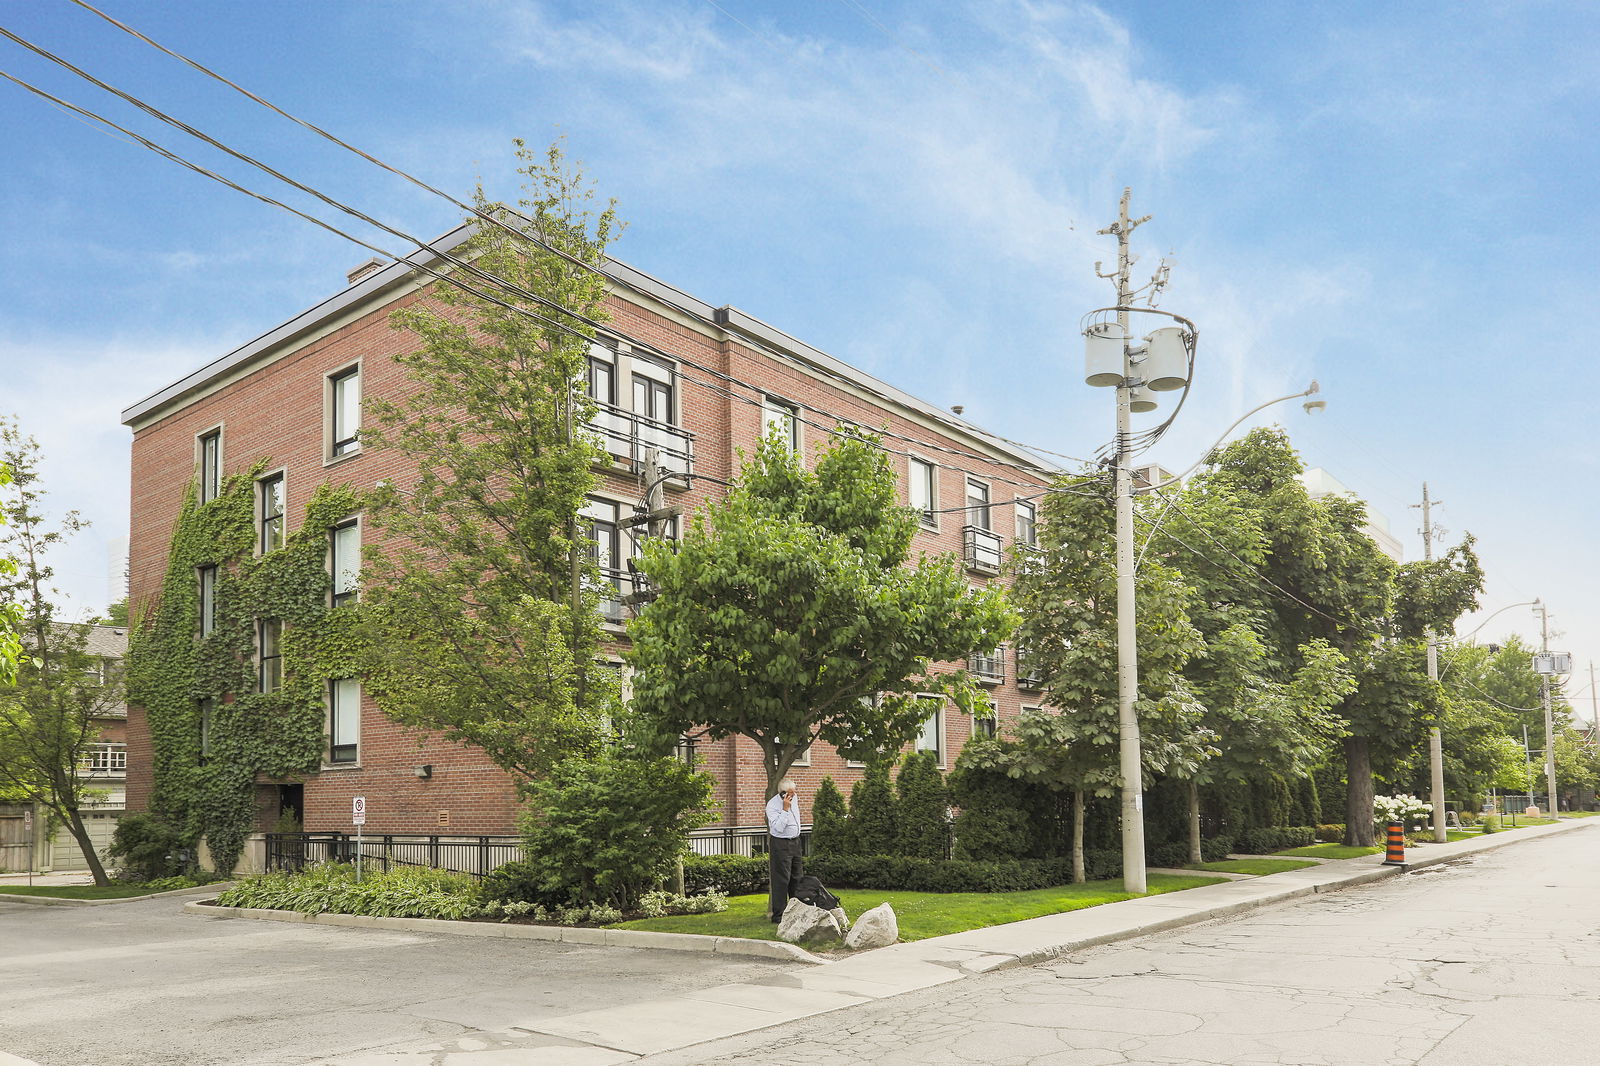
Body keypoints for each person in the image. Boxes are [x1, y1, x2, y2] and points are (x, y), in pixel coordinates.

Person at [765, 777, 803, 923]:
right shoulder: (772, 806)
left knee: (797, 878)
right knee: (782, 879)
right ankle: (779, 915)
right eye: (790, 794)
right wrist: (785, 809)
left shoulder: (795, 799)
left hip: (795, 842)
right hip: (781, 844)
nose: (793, 796)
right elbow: (778, 828)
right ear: (782, 794)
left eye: (794, 793)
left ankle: (796, 912)